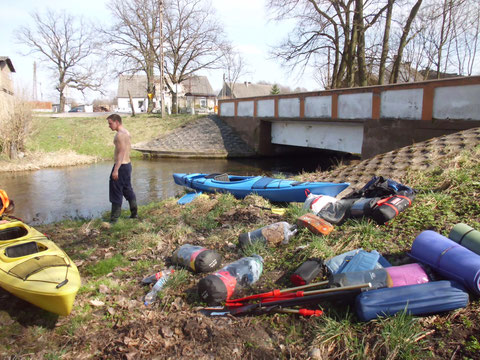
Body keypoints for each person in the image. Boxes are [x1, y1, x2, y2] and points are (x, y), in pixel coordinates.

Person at [107, 114, 137, 223]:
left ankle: (114, 219)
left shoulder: (120, 135)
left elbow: (121, 153)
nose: (109, 126)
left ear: (117, 122)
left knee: (115, 190)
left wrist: (116, 170)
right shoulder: (126, 132)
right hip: (127, 165)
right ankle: (134, 213)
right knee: (127, 188)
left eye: (110, 123)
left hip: (121, 165)